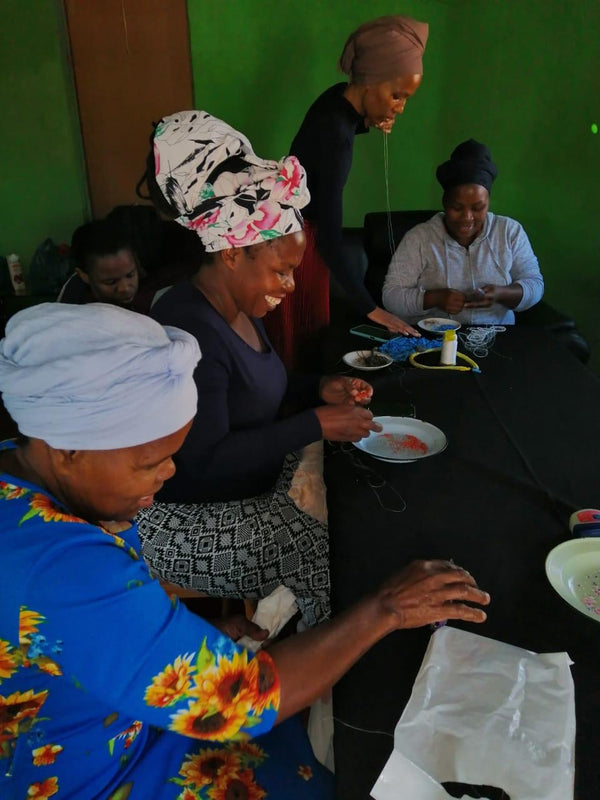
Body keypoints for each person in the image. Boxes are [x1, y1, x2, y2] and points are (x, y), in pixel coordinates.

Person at [0, 302, 490, 799]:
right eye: (150, 463)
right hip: (94, 778)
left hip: (107, 722)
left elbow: (65, 642)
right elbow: (240, 702)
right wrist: (386, 608)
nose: (168, 473)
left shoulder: (18, 472)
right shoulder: (61, 569)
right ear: (66, 450)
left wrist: (184, 636)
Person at [137, 110, 381, 627]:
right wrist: (315, 421)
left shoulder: (238, 309)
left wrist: (321, 388)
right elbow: (201, 463)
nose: (290, 286)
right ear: (232, 255)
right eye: (282, 270)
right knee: (314, 546)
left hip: (240, 486)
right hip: (184, 518)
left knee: (345, 492)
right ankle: (316, 681)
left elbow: (262, 388)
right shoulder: (190, 329)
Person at [264, 15, 429, 368]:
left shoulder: (336, 98)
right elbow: (328, 239)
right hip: (298, 248)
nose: (400, 108)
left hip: (285, 235)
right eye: (396, 95)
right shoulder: (337, 140)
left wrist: (370, 121)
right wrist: (373, 310)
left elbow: (339, 127)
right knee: (302, 351)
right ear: (370, 83)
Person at [382, 139, 545, 325]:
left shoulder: (509, 232)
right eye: (457, 207)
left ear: (488, 203)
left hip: (496, 337)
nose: (467, 218)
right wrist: (435, 298)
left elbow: (535, 285)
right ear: (444, 203)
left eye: (478, 208)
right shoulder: (419, 238)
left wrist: (500, 294)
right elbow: (391, 296)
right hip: (434, 339)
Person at [58, 218, 142, 308]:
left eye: (130, 275)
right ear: (83, 275)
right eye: (111, 282)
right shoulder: (72, 300)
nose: (125, 288)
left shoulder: (151, 293)